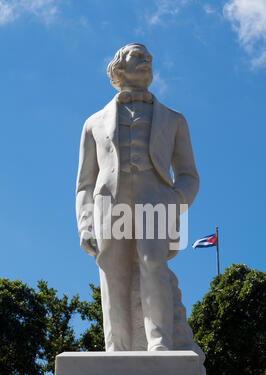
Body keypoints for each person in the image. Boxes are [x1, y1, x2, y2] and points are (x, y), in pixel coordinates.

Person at [76, 43, 199, 352]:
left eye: (149, 58)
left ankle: (160, 344)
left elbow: (188, 175)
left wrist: (175, 201)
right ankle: (116, 348)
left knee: (153, 266)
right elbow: (85, 183)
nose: (147, 61)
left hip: (155, 199)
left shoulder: (174, 120)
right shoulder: (93, 123)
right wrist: (85, 224)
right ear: (119, 67)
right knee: (112, 272)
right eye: (138, 56)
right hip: (109, 204)